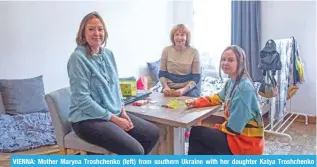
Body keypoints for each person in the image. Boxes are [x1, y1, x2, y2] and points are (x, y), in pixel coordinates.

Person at [67, 11, 160, 155]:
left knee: (152, 133)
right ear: (83, 34)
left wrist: (122, 111)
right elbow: (82, 99)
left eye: (100, 29)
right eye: (91, 29)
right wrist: (115, 119)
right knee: (135, 150)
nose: (96, 33)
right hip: (86, 120)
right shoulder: (77, 58)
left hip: (112, 113)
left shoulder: (108, 54)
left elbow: (115, 87)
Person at [185, 45, 264, 155]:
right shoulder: (231, 82)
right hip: (237, 137)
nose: (225, 63)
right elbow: (217, 98)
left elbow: (234, 128)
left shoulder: (244, 89)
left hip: (245, 144)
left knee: (197, 132)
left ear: (240, 63)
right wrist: (196, 102)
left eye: (230, 60)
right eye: (223, 59)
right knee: (205, 137)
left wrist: (218, 128)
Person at [158, 24, 201, 97]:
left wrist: (183, 90)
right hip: (169, 87)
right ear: (173, 37)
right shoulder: (166, 50)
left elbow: (196, 77)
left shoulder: (194, 52)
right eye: (176, 35)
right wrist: (165, 87)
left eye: (182, 35)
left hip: (188, 88)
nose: (179, 38)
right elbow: (162, 74)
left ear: (187, 37)